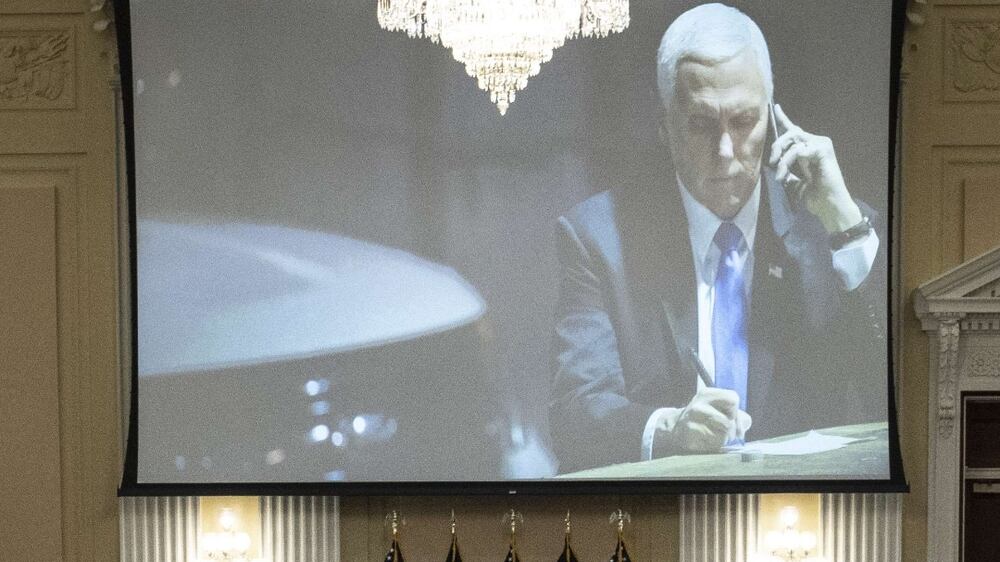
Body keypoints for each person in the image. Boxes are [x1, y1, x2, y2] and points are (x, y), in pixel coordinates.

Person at [548, 3, 886, 473]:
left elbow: (897, 397)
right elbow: (574, 416)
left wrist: (846, 226)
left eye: (745, 121)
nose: (726, 151)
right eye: (703, 124)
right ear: (665, 126)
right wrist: (670, 428)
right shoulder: (598, 236)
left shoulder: (830, 228)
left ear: (773, 117)